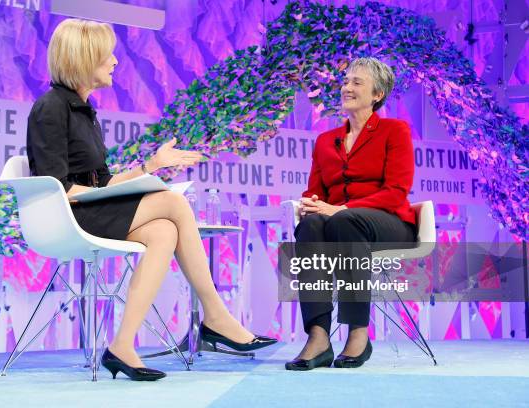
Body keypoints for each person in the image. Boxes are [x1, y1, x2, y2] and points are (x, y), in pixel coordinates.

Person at [27, 19, 276, 381]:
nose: (114, 61)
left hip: (91, 210)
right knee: (173, 205)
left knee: (162, 231)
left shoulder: (87, 112)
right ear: (84, 59)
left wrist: (152, 166)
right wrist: (121, 189)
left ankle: (122, 346)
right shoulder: (51, 108)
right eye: (106, 55)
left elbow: (103, 180)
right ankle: (216, 316)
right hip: (67, 216)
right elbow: (58, 188)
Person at [285, 57, 417, 371]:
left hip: (390, 222)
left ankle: (358, 332)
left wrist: (341, 208)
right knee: (310, 225)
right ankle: (318, 336)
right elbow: (314, 191)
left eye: (357, 82)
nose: (347, 87)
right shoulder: (324, 141)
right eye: (346, 81)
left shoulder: (394, 131)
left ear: (377, 94)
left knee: (344, 219)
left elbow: (396, 191)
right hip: (341, 224)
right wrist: (311, 204)